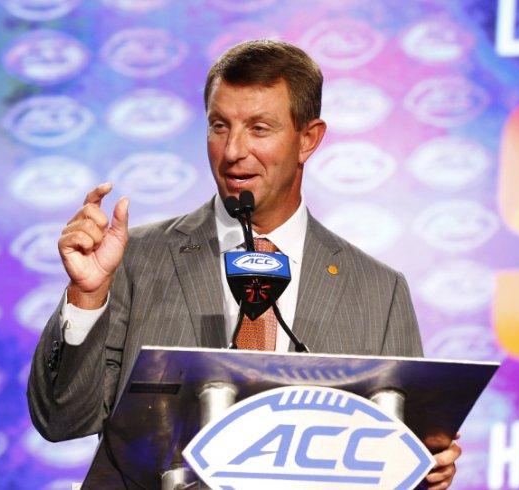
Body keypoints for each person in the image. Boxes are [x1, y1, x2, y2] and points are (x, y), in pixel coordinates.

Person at [28, 39, 461, 489]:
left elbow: (398, 447)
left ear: (308, 139)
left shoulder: (378, 290)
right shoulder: (131, 259)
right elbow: (60, 421)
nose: (233, 151)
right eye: (219, 126)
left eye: (258, 128)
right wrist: (87, 296)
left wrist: (424, 467)